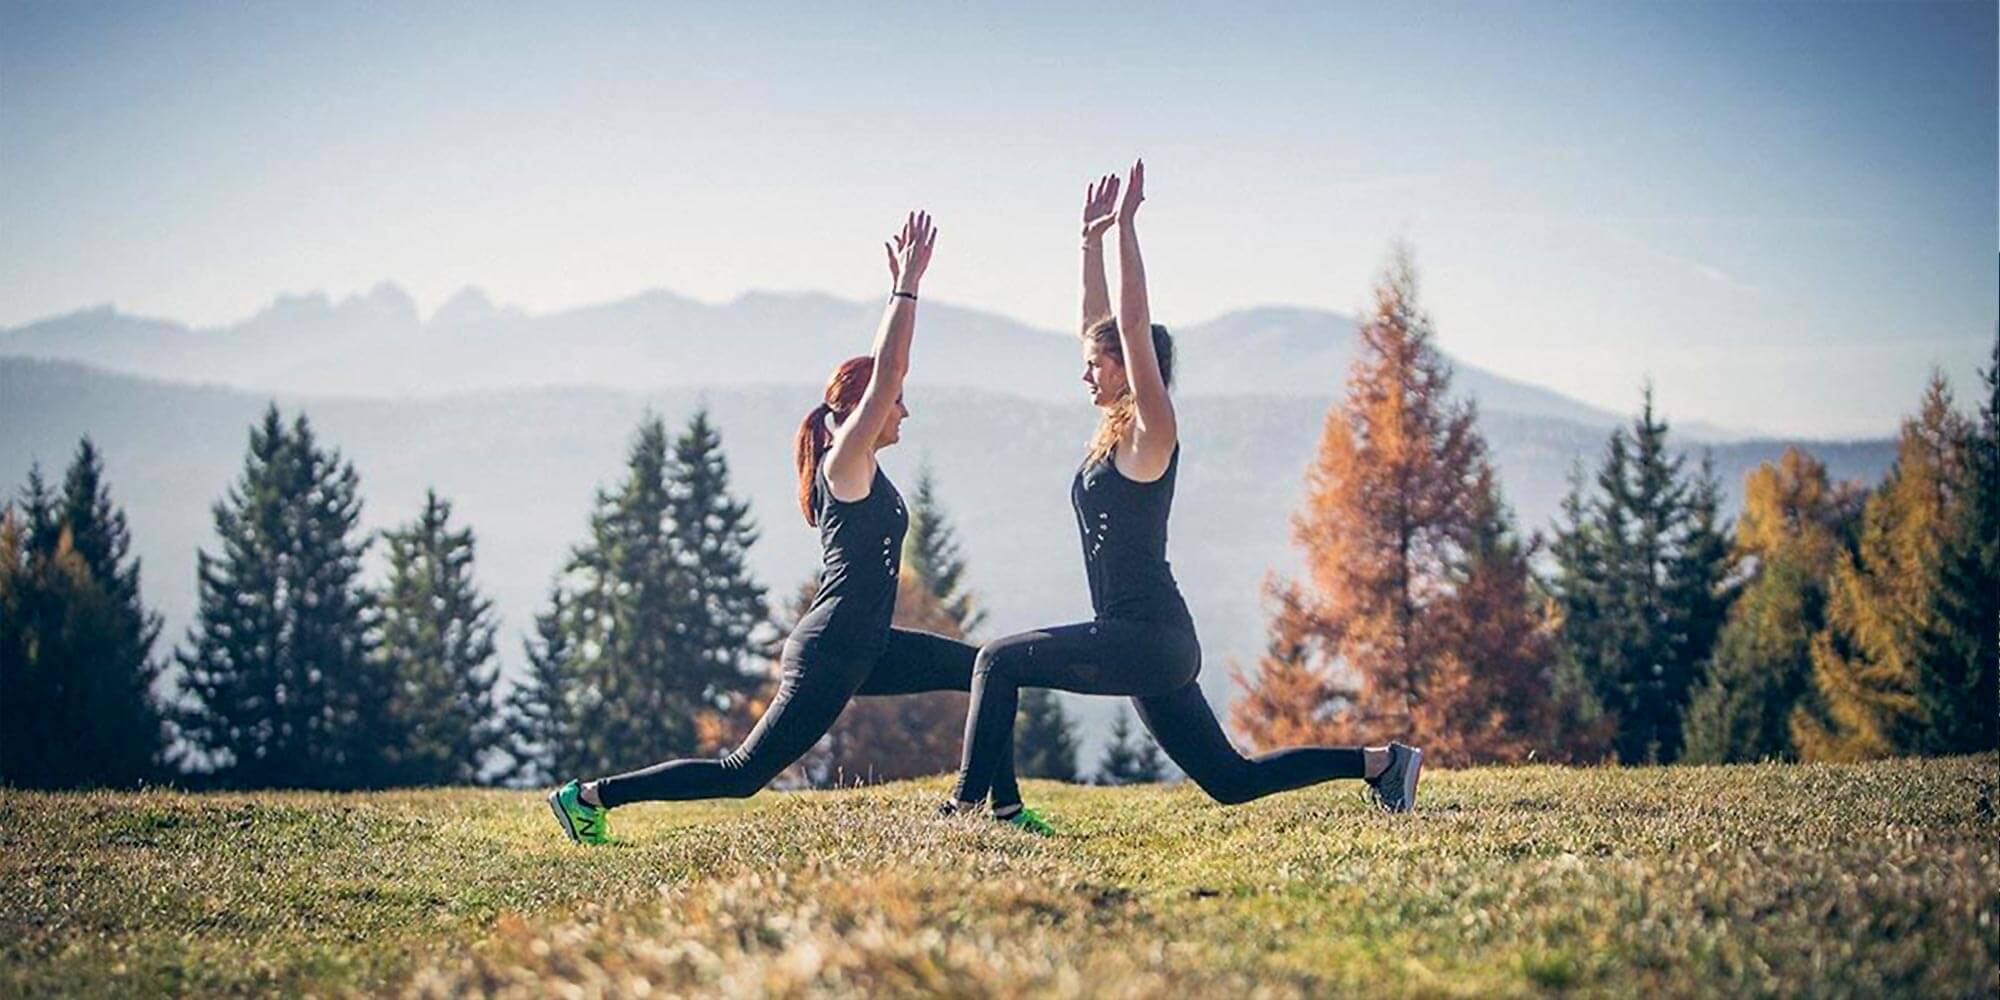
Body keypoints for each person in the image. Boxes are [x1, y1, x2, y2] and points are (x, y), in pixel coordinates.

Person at [549, 211, 1051, 844]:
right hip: (832, 649)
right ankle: (589, 796)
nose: (905, 410)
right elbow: (889, 369)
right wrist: (907, 287)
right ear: (865, 407)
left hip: (867, 643)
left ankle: (996, 808)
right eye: (895, 400)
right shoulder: (846, 461)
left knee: (989, 668)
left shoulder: (856, 462)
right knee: (741, 774)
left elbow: (888, 380)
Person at [943, 162, 1423, 817]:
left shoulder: (1150, 431)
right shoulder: (1109, 431)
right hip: (1142, 641)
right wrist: (1087, 243)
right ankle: (1384, 764)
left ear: (1129, 370)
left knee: (996, 662)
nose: (1084, 375)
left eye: (1095, 365)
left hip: (1149, 637)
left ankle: (972, 810)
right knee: (1232, 781)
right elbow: (1103, 325)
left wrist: (1126, 231)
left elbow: (1132, 325)